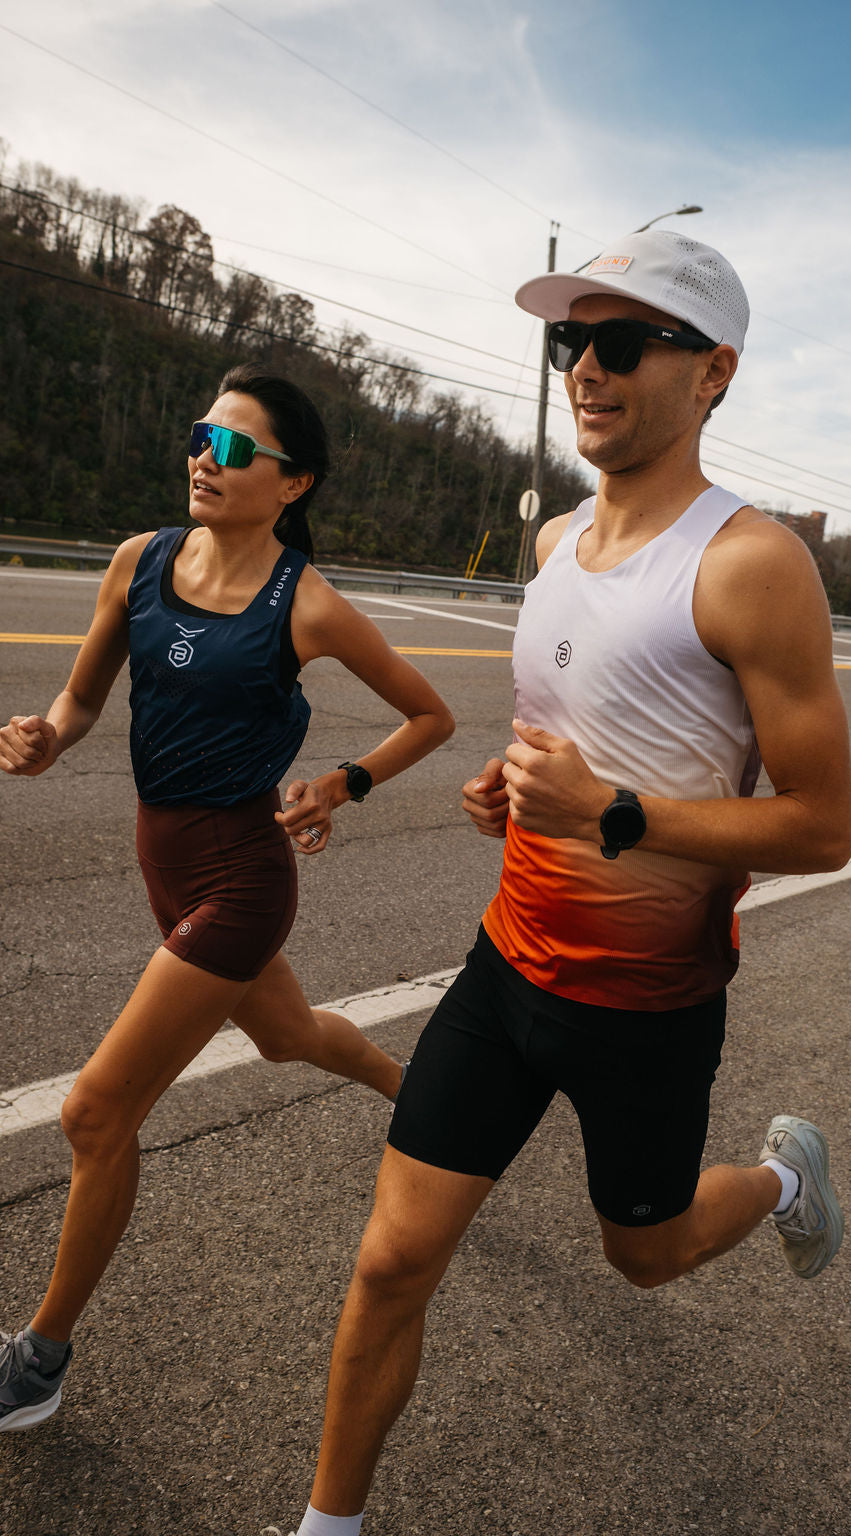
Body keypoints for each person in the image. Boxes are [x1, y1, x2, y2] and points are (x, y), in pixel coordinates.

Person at [284, 230, 851, 1536]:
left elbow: (822, 828)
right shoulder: (551, 542)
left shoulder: (751, 565)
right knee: (390, 1263)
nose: (585, 370)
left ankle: (782, 1181)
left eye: (622, 342)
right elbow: (579, 737)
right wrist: (517, 788)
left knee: (643, 1259)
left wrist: (612, 813)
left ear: (712, 373)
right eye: (569, 342)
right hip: (506, 966)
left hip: (648, 1007)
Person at [0, 363, 454, 1434]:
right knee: (291, 1037)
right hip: (167, 866)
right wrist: (42, 739)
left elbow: (430, 715)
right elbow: (77, 698)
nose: (206, 457)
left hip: (242, 881)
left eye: (237, 447)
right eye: (202, 435)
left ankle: (38, 1362)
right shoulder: (138, 560)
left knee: (96, 1111)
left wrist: (345, 780)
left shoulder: (310, 606)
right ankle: (426, 1104)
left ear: (292, 483)